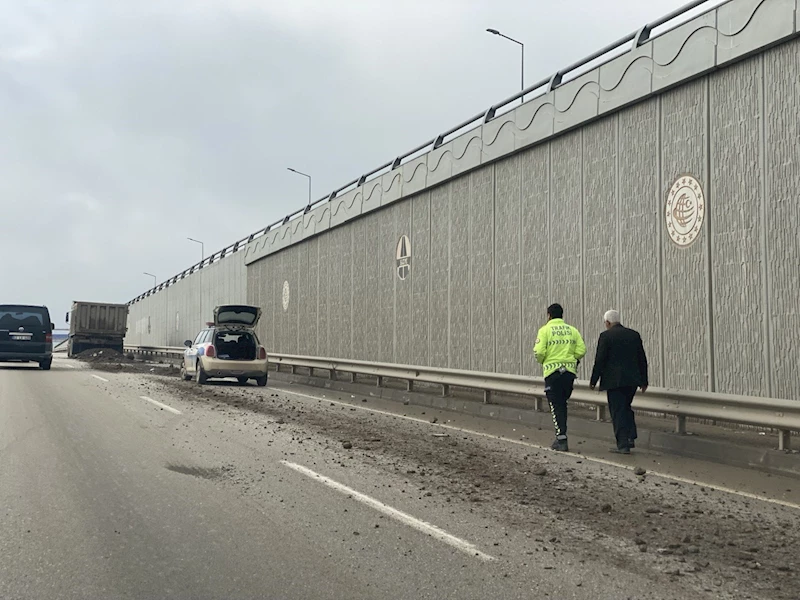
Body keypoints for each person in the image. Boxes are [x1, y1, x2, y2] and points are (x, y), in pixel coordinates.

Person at [589, 310, 649, 455]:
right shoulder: (634, 335)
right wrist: (644, 380)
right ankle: (630, 437)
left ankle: (623, 444)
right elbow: (642, 358)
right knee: (626, 407)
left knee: (617, 411)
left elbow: (600, 360)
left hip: (614, 382)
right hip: (632, 381)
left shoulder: (606, 336)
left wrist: (593, 380)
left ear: (608, 323)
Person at [534, 303, 586, 452]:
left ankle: (561, 438)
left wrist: (544, 361)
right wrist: (571, 360)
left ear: (549, 315)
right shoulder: (572, 330)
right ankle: (561, 435)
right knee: (562, 403)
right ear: (562, 315)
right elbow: (582, 350)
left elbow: (538, 352)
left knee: (556, 405)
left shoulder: (544, 331)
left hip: (552, 373)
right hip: (569, 372)